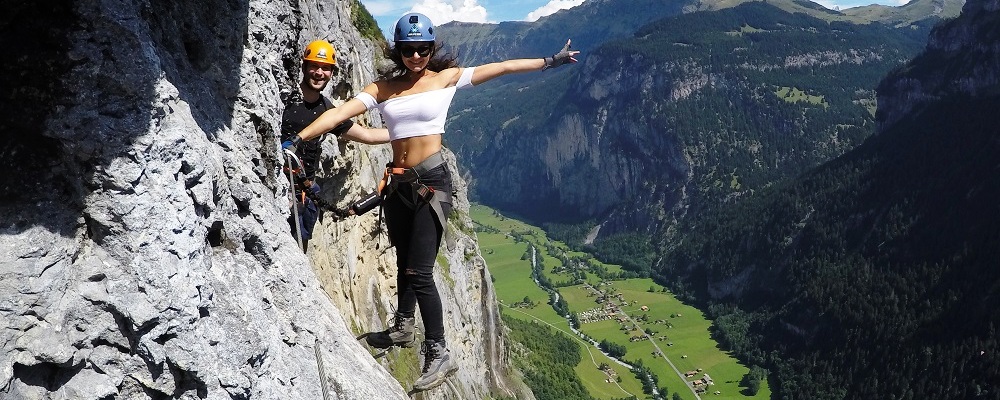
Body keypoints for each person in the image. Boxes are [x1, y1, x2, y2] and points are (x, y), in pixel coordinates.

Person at [286, 13, 579, 391]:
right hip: (398, 186)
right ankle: (404, 327)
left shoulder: (445, 80)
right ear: (399, 50)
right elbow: (338, 113)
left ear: (431, 48)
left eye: (423, 49)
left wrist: (548, 62)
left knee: (420, 272)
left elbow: (502, 68)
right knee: (405, 261)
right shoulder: (382, 88)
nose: (416, 56)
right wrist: (298, 140)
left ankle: (438, 350)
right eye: (409, 50)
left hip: (432, 184)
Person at [280, 40, 389, 251]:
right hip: (280, 187)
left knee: (298, 250)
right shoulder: (286, 98)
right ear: (304, 67)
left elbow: (366, 135)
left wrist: (407, 132)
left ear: (331, 73)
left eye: (325, 68)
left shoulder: (327, 111)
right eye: (314, 66)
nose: (319, 73)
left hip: (305, 192)